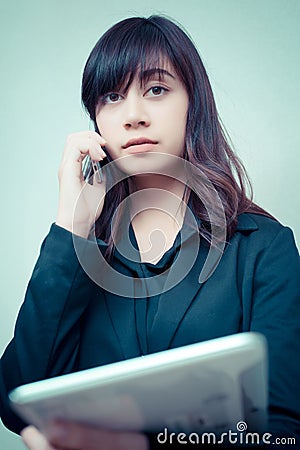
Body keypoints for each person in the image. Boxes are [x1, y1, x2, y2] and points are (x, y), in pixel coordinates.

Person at [1, 15, 299, 450]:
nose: (133, 116)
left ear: (192, 103)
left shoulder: (264, 248)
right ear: (96, 122)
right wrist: (71, 225)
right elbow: (15, 404)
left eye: (156, 90)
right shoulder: (80, 257)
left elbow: (284, 436)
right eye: (112, 96)